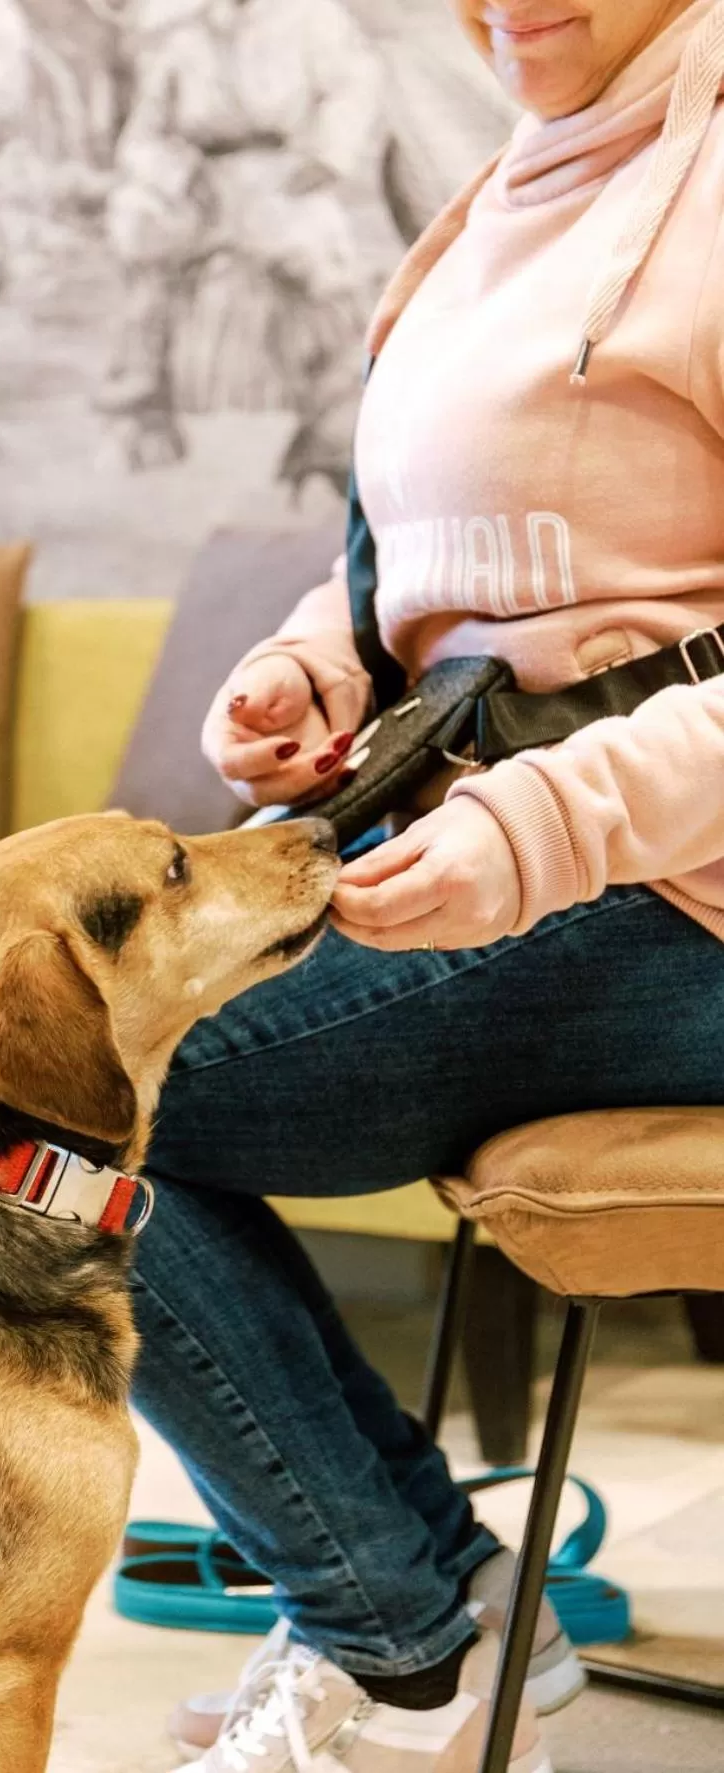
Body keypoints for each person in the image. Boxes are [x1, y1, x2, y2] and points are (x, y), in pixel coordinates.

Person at [130, 3, 724, 1770]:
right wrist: (316, 664)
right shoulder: (500, 200)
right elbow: (414, 569)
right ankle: (430, 1611)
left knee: (41, 1104)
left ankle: (402, 1651)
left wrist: (538, 828)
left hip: (672, 897)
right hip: (510, 862)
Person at [97, 0, 401, 483]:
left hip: (282, 176)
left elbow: (357, 84)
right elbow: (143, 135)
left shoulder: (311, 20)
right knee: (145, 243)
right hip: (200, 183)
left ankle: (337, 428)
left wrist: (328, 156)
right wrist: (178, 176)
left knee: (320, 272)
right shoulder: (182, 39)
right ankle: (139, 412)